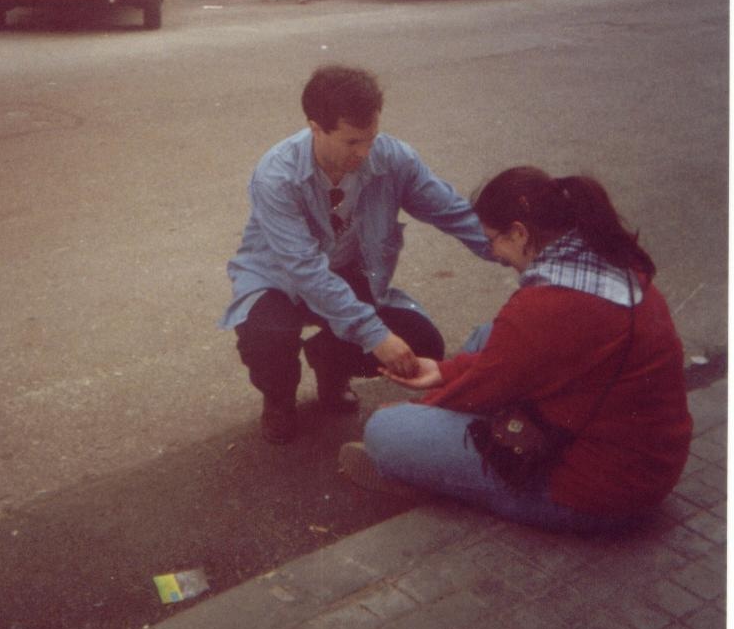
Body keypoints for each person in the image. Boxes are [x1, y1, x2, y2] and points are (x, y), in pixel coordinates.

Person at [339, 167, 693, 535]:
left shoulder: (542, 309)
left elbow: (471, 394)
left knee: (385, 431)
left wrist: (415, 414)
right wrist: (445, 371)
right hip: (645, 466)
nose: (492, 251)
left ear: (520, 233)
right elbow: (514, 360)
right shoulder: (612, 262)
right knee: (487, 336)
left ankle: (431, 476)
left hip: (596, 495)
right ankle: (441, 464)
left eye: (494, 239)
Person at [221, 66, 492, 443]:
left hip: (347, 271)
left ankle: (330, 365)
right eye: (351, 142)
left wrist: (520, 254)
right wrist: (374, 334)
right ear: (316, 128)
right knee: (267, 337)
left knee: (422, 343)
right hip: (279, 278)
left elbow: (453, 212)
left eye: (371, 137)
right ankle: (278, 399)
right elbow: (305, 271)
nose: (365, 152)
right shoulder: (276, 176)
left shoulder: (394, 159)